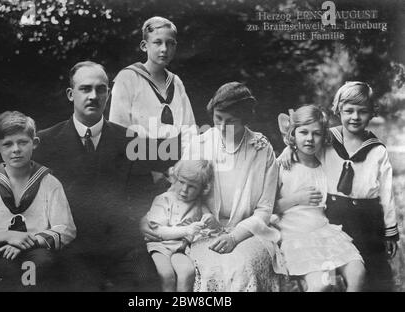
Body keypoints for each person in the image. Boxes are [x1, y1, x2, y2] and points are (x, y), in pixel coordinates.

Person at [142, 82, 283, 292]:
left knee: (241, 266)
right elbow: (179, 193)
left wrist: (234, 237)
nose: (222, 126)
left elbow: (264, 210)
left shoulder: (261, 149)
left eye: (231, 121)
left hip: (248, 232)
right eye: (218, 118)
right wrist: (152, 220)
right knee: (208, 267)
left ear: (245, 118)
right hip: (202, 230)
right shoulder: (200, 144)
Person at [33, 61, 158, 291]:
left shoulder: (131, 141)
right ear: (71, 94)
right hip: (71, 249)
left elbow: (144, 193)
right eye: (85, 89)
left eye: (101, 89)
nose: (94, 96)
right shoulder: (45, 142)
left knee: (147, 284)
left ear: (108, 94)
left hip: (122, 248)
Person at [278, 82, 399, 291]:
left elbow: (387, 194)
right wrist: (288, 150)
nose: (355, 117)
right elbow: (304, 144)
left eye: (362, 112)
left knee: (373, 273)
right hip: (333, 214)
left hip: (367, 218)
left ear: (372, 113)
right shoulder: (327, 140)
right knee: (330, 276)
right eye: (349, 111)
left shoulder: (377, 150)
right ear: (338, 110)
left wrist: (390, 231)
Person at [0, 111, 76, 291]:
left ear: (34, 143)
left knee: (40, 264)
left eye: (22, 142)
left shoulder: (49, 183)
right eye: (8, 144)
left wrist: (28, 241)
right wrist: (8, 236)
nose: (16, 149)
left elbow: (66, 229)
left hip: (37, 256)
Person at [274, 105, 365, 292]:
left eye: (316, 134)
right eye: (303, 132)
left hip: (325, 235)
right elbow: (266, 207)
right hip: (298, 238)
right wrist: (297, 198)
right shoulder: (282, 166)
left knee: (357, 272)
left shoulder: (325, 163)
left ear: (324, 137)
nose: (309, 138)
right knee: (323, 284)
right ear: (293, 135)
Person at [109, 16, 196, 178]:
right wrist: (151, 171)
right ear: (144, 46)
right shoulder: (128, 78)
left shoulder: (176, 82)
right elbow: (118, 131)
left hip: (176, 168)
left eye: (170, 43)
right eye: (157, 42)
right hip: (139, 167)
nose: (164, 49)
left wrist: (182, 168)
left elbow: (189, 130)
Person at [145, 159, 218, 291]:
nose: (184, 190)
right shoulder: (164, 199)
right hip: (160, 247)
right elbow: (157, 231)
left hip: (181, 249)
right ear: (174, 179)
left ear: (203, 189)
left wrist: (212, 222)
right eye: (181, 182)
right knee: (167, 275)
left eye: (192, 186)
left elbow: (214, 232)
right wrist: (187, 230)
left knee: (187, 272)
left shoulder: (199, 205)